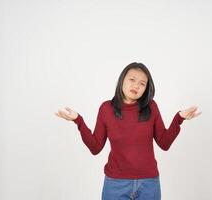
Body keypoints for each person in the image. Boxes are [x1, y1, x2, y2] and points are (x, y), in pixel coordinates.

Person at [55, 62, 202, 200]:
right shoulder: (106, 108)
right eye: (132, 79)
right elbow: (95, 147)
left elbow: (164, 143)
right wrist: (78, 121)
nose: (136, 86)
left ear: (146, 88)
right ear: (122, 80)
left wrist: (179, 118)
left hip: (149, 184)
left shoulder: (151, 107)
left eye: (142, 83)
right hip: (115, 184)